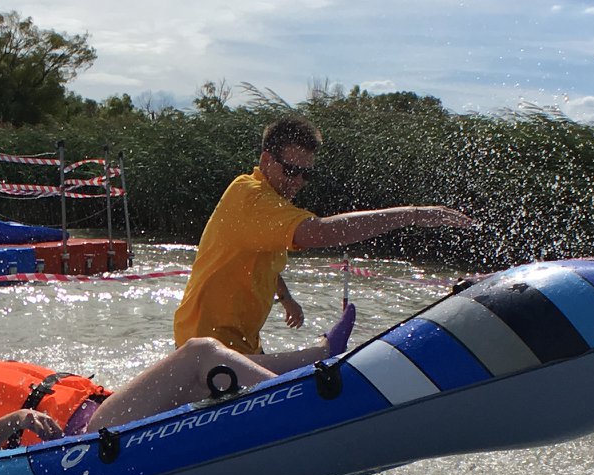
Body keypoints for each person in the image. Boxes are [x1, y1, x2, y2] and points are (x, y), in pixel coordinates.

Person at [174, 115, 480, 366]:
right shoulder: (252, 196)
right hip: (207, 346)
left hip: (240, 343)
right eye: (291, 171)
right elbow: (319, 232)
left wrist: (287, 298)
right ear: (266, 160)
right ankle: (325, 350)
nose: (297, 182)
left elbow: (257, 260)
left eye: (306, 175)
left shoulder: (265, 205)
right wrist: (410, 214)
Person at [0, 336, 274, 463]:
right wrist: (17, 419)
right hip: (88, 443)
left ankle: (320, 360)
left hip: (105, 425)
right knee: (199, 351)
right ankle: (317, 391)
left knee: (203, 381)